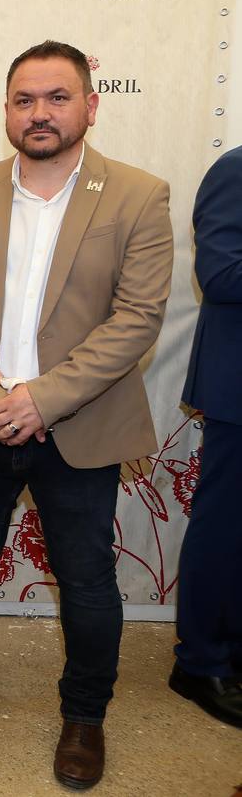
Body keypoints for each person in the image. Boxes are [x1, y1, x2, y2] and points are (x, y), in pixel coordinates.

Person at [0, 41, 172, 790]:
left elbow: (137, 319)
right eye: (24, 99)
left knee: (86, 578)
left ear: (90, 105)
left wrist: (41, 400)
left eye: (57, 97)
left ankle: (85, 716)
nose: (40, 113)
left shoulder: (137, 194)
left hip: (78, 425)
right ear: (5, 111)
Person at [173, 145, 242, 729]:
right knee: (227, 528)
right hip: (238, 390)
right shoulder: (236, 167)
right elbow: (220, 274)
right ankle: (199, 662)